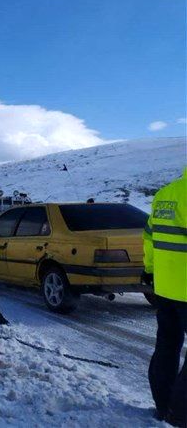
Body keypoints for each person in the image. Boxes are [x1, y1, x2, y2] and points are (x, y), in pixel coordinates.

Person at [143, 168, 186, 427]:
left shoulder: (165, 194)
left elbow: (149, 236)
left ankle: (163, 407)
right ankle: (180, 415)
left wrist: (150, 269)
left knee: (167, 347)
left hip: (166, 288)